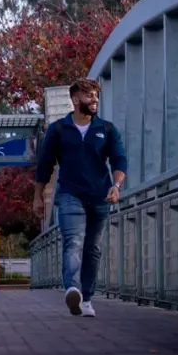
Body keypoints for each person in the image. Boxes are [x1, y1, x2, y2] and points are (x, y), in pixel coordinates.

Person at [33, 78, 127, 317]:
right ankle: (72, 289)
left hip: (100, 196)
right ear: (75, 100)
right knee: (73, 242)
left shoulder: (106, 129)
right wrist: (37, 197)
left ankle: (86, 298)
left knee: (92, 248)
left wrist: (116, 185)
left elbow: (119, 160)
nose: (94, 99)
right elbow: (44, 165)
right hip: (69, 195)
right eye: (89, 95)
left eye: (96, 95)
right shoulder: (58, 129)